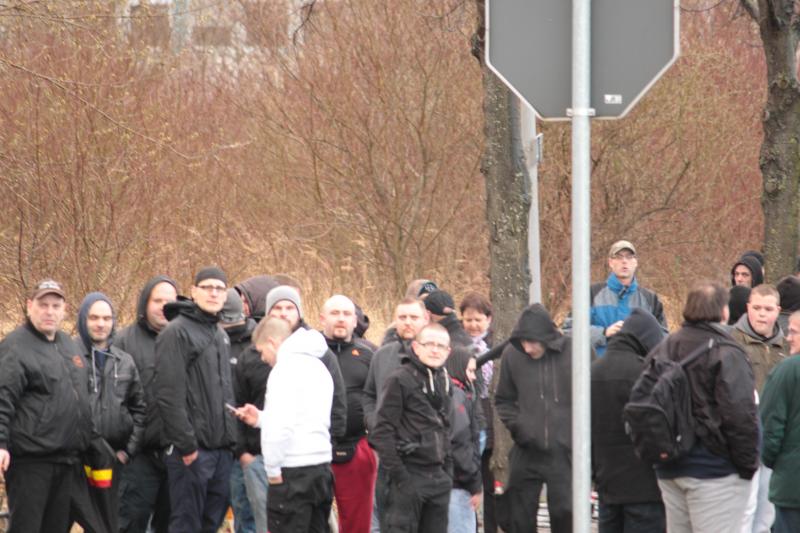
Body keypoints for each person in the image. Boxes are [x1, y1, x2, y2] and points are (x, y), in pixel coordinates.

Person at [650, 281, 759, 533]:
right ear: (723, 311)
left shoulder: (664, 347)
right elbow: (739, 413)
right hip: (714, 471)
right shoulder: (726, 351)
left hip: (669, 468)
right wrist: (748, 465)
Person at [0, 280, 101, 532]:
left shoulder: (69, 345)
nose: (49, 311)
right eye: (43, 305)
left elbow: (81, 396)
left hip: (66, 460)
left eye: (56, 305)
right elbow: (3, 397)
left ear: (65, 309)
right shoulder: (15, 346)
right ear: (29, 306)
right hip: (30, 462)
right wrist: (1, 444)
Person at [155, 267, 237, 533]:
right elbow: (168, 394)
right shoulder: (176, 332)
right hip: (191, 453)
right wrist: (187, 447)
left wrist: (230, 445)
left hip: (221, 452)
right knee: (186, 525)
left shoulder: (221, 335)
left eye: (219, 288)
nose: (213, 293)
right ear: (193, 292)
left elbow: (224, 392)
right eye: (207, 287)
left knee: (211, 524)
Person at [236, 317, 334, 533]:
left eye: (262, 351)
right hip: (321, 469)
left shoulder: (283, 371)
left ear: (272, 342)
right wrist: (261, 419)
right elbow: (303, 416)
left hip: (292, 472)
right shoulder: (318, 365)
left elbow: (280, 428)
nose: (263, 358)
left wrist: (272, 471)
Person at [71, 292, 147, 532]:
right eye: (94, 317)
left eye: (106, 318)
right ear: (83, 319)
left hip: (112, 461)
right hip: (73, 460)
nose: (100, 323)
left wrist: (128, 451)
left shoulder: (125, 361)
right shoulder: (67, 355)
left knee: (105, 526)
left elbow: (140, 410)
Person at [494, 303, 573, 533]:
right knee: (518, 516)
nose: (527, 348)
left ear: (546, 338)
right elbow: (503, 400)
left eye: (532, 342)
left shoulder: (575, 352)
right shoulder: (512, 355)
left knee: (566, 514)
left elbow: (592, 397)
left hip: (565, 451)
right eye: (523, 343)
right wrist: (519, 428)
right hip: (526, 448)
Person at [369, 323, 454, 532]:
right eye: (429, 344)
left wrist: (448, 471)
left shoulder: (445, 381)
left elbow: (446, 428)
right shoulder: (399, 379)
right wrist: (401, 477)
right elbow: (382, 432)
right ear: (416, 347)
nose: (435, 350)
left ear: (448, 351)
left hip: (438, 478)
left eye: (440, 346)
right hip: (408, 476)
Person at [591, 309, 666, 533]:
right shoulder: (647, 373)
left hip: (607, 486)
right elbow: (658, 428)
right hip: (645, 488)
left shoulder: (591, 372)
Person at [115, 275, 178, 533]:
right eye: (157, 300)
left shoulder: (185, 339)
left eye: (169, 301)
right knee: (130, 523)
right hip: (137, 457)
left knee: (171, 525)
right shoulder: (123, 341)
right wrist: (126, 446)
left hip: (177, 456)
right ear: (145, 303)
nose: (163, 306)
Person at [729, 284, 787, 532]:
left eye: (768, 309)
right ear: (747, 309)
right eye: (757, 308)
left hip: (776, 438)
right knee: (742, 511)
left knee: (767, 511)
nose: (762, 314)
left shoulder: (787, 346)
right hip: (744, 437)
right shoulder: (732, 341)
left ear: (778, 311)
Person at [320, 295, 377, 533]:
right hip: (314, 450)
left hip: (357, 449)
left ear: (356, 320)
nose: (341, 319)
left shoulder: (370, 354)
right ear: (322, 319)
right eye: (335, 314)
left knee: (357, 523)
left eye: (346, 314)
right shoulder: (311, 352)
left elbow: (380, 399)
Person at [264, 285, 347, 441]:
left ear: (299, 313)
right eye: (277, 308)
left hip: (309, 450)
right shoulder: (256, 350)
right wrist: (243, 452)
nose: (283, 313)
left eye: (290, 308)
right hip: (262, 450)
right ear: (268, 313)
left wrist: (331, 442)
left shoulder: (318, 351)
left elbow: (337, 401)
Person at [564, 240, 667, 356]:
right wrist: (604, 333)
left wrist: (640, 338)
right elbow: (570, 330)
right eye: (618, 257)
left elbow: (663, 339)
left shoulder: (650, 299)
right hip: (599, 370)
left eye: (629, 257)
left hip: (638, 370)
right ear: (610, 262)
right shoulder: (591, 294)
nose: (624, 261)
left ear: (635, 262)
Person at [458, 291, 497, 533]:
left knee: (491, 483)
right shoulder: (455, 345)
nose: (473, 325)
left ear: (488, 319)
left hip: (491, 419)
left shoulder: (496, 343)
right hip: (466, 420)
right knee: (467, 483)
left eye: (478, 319)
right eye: (468, 319)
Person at [759, 310, 800, 533]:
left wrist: (775, 463)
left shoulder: (787, 370)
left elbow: (768, 427)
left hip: (792, 488)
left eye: (793, 332)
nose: (788, 337)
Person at [221, 289, 257, 533]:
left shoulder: (256, 345)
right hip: (208, 446)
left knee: (247, 516)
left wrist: (243, 449)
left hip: (244, 447)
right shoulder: (199, 340)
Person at [445, 346, 482, 533]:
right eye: (470, 371)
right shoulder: (457, 397)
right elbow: (461, 443)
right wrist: (474, 482)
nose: (473, 377)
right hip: (458, 484)